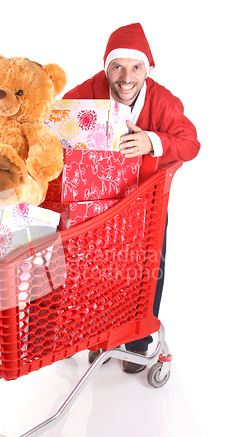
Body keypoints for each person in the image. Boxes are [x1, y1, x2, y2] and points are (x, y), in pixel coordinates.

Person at [62, 23, 200, 372]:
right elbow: (57, 124)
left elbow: (190, 143)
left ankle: (138, 343)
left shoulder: (163, 101)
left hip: (147, 205)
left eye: (135, 67)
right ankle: (101, 337)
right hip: (100, 206)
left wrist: (152, 141)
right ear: (106, 67)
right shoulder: (87, 92)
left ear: (147, 70)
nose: (126, 77)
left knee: (147, 270)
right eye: (117, 67)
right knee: (97, 271)